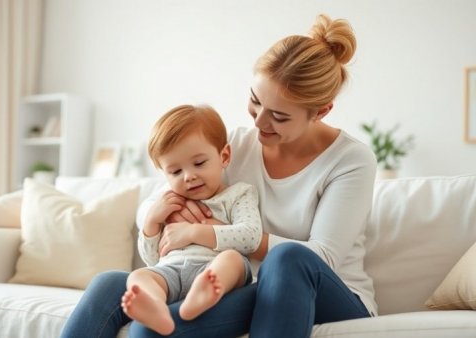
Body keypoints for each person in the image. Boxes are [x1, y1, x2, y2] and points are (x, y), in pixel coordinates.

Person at [61, 13, 377, 338]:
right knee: (113, 288)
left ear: (322, 111)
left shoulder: (351, 160)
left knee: (286, 259)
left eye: (279, 117)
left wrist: (210, 233)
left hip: (327, 292)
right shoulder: (235, 144)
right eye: (255, 101)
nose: (259, 123)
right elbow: (162, 195)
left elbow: (323, 257)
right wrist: (167, 217)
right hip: (244, 284)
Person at [121, 104, 262, 336]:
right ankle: (155, 306)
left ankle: (205, 292)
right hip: (172, 271)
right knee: (139, 276)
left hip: (215, 269)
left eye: (199, 163)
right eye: (175, 172)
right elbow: (153, 259)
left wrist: (193, 232)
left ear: (224, 156)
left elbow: (251, 237)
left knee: (232, 259)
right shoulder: (170, 202)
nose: (189, 176)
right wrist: (152, 223)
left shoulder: (239, 194)